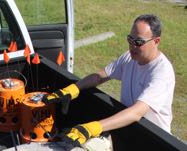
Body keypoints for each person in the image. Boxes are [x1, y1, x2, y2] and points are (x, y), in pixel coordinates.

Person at [43, 14, 175, 144]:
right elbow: (100, 76)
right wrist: (74, 88)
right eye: (130, 39)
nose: (132, 46)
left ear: (156, 41)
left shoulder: (162, 72)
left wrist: (93, 128)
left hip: (156, 139)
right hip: (129, 126)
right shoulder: (129, 57)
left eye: (138, 42)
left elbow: (137, 112)